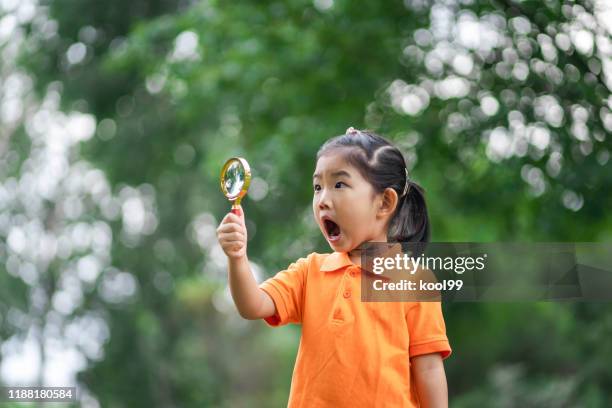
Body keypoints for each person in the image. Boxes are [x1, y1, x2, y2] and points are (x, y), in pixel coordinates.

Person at [216, 127, 452, 407]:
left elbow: (429, 369)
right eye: (318, 187)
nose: (323, 200)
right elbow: (252, 305)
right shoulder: (309, 272)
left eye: (339, 184)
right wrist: (237, 257)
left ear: (384, 202)